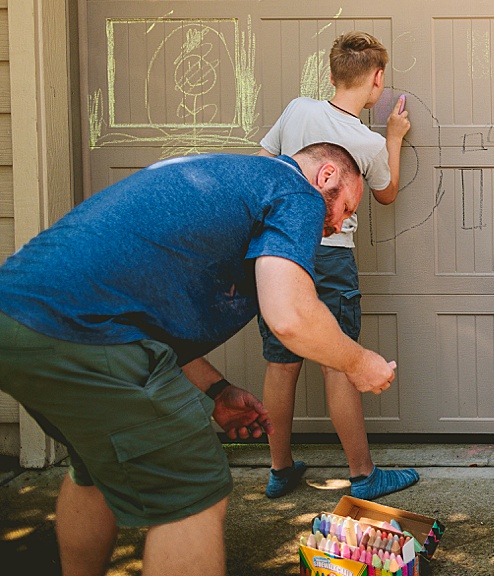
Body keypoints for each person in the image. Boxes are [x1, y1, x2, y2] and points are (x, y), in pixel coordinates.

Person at [0, 145, 397, 576]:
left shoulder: (234, 179)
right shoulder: (294, 192)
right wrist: (358, 363)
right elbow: (291, 317)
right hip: (86, 330)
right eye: (344, 209)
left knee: (94, 471)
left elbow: (147, 314)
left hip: (17, 317)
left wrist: (216, 390)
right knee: (195, 486)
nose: (336, 225)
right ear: (325, 178)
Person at [256, 31, 418, 501]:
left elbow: (265, 165)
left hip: (279, 250)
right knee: (338, 364)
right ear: (378, 81)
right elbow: (387, 194)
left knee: (280, 362)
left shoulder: (296, 109)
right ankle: (364, 476)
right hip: (331, 258)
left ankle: (280, 469)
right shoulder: (365, 142)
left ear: (331, 76)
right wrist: (394, 137)